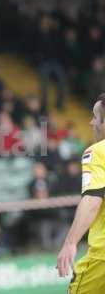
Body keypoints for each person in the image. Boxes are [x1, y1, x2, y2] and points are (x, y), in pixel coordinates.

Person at [57, 93, 105, 292]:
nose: (91, 121)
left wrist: (70, 243)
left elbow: (93, 199)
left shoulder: (97, 151)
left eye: (96, 116)